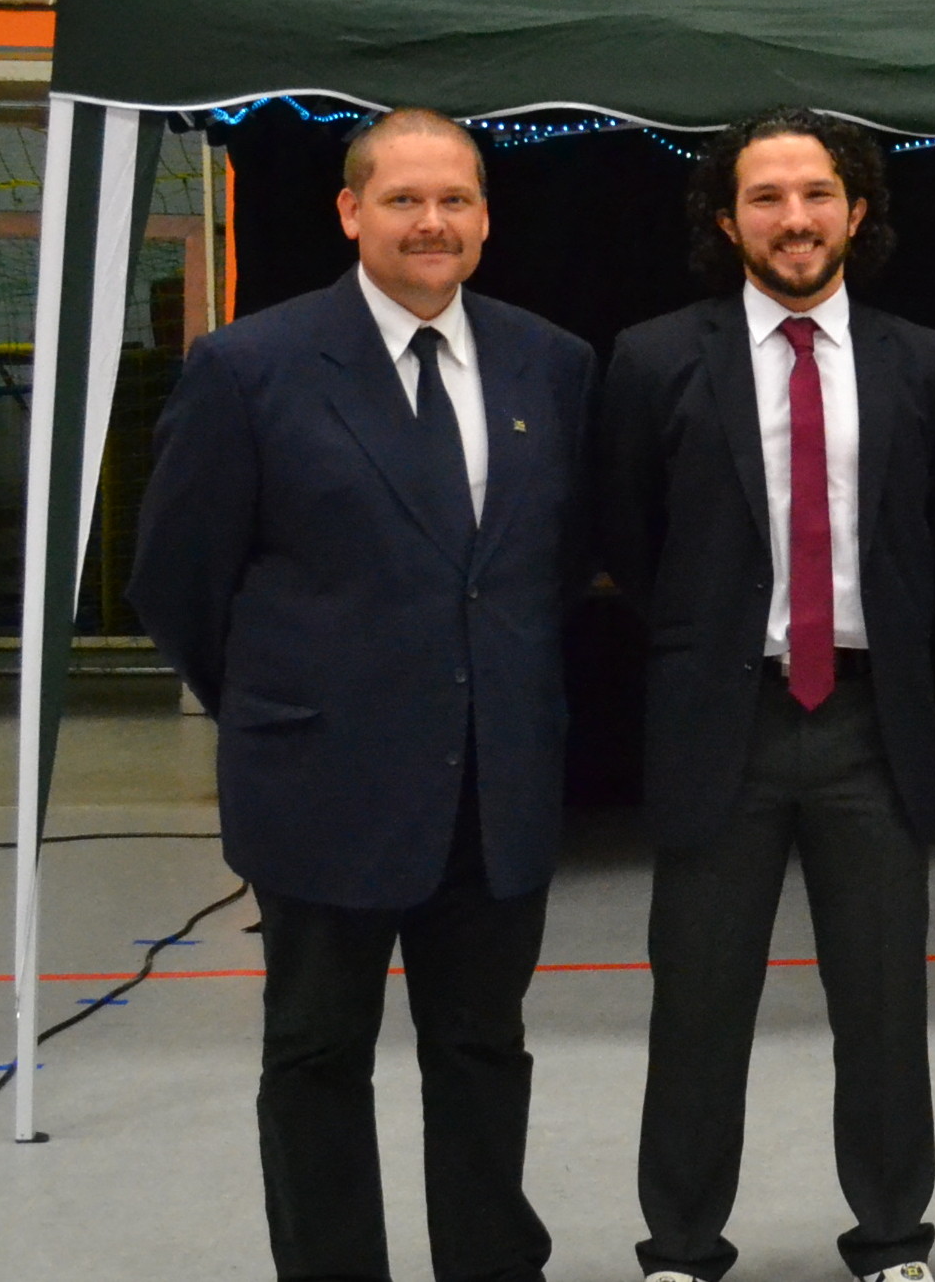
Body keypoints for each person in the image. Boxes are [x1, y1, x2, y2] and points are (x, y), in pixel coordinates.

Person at [129, 108, 592, 1282]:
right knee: (317, 1057)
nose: (432, 222)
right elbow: (179, 583)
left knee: (483, 1051)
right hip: (320, 785)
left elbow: (551, 567)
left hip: (494, 788)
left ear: (484, 217)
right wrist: (287, 707)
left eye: (455, 200)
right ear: (350, 212)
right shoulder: (251, 368)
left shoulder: (551, 363)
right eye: (403, 199)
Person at [597, 109, 935, 1282]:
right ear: (728, 220)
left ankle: (893, 1241)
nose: (794, 218)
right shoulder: (654, 358)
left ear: (856, 211)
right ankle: (681, 1247)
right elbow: (629, 539)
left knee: (884, 1010)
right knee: (698, 1010)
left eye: (816, 195)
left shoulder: (930, 363)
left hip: (871, 724)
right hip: (723, 722)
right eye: (765, 197)